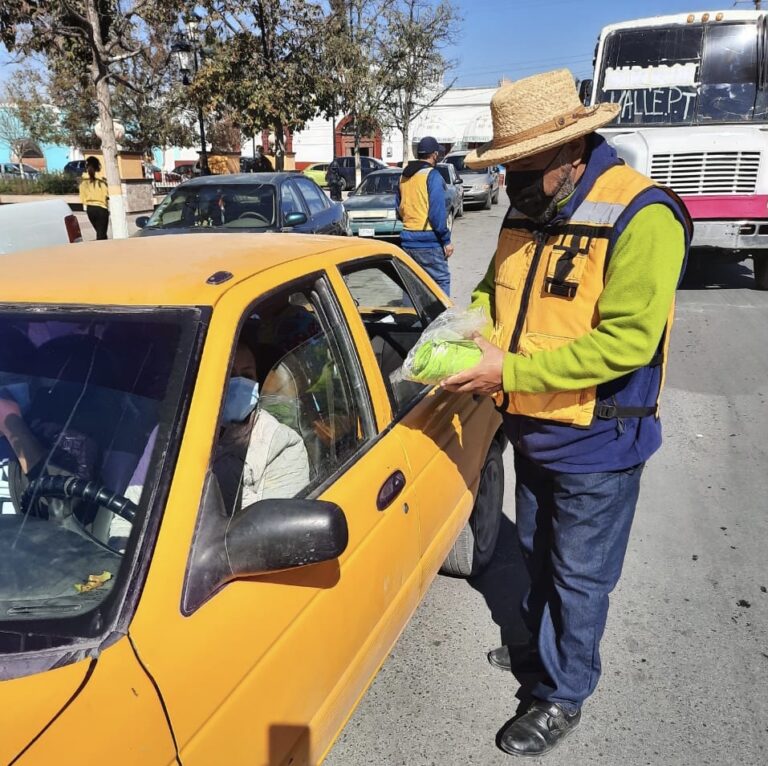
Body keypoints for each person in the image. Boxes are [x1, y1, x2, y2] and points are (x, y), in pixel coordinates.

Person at [440, 69, 691, 757]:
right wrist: (470, 328)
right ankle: (543, 654)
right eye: (505, 167)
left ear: (569, 154)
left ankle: (562, 693)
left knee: (581, 576)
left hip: (599, 441)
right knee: (537, 553)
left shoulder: (643, 215)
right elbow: (496, 289)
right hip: (533, 428)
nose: (509, 182)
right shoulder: (529, 210)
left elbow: (627, 342)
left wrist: (507, 370)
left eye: (521, 166)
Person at [214, 340, 310, 513]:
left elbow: (276, 526)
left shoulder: (282, 444)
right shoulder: (178, 430)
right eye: (229, 374)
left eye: (248, 376)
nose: (239, 383)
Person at [395, 136, 453, 295]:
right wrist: (446, 240)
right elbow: (437, 214)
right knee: (441, 282)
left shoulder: (403, 176)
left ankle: (411, 318)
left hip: (408, 240)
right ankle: (442, 319)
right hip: (429, 242)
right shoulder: (432, 175)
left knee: (412, 286)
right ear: (434, 155)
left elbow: (399, 209)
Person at [79, 156, 110, 240]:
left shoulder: (83, 181)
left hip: (90, 210)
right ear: (98, 166)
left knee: (100, 233)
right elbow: (107, 194)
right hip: (101, 209)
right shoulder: (102, 180)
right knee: (101, 235)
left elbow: (82, 198)